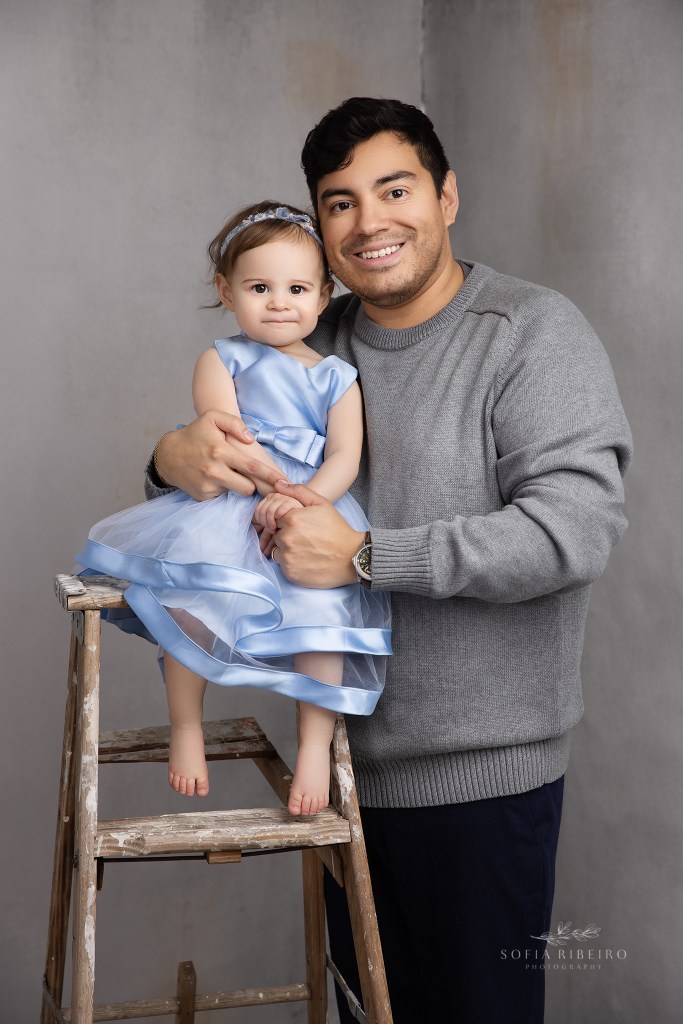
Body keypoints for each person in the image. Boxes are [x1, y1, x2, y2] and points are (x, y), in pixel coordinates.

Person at [146, 99, 632, 1023]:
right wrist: (171, 454)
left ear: (447, 197)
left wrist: (368, 555)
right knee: (370, 1010)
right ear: (318, 231)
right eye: (338, 202)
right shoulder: (308, 339)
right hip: (338, 773)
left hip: (481, 779)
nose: (368, 222)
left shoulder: (528, 332)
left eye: (394, 189)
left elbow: (574, 531)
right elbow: (210, 492)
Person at [76, 200, 391, 817]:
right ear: (227, 291)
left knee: (325, 616)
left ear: (323, 296)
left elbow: (345, 457)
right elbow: (222, 434)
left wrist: (305, 500)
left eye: (297, 288)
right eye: (259, 287)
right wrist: (262, 486)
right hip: (235, 498)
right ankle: (187, 728)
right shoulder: (222, 358)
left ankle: (313, 746)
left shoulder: (337, 376)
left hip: (308, 506)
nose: (279, 301)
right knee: (194, 602)